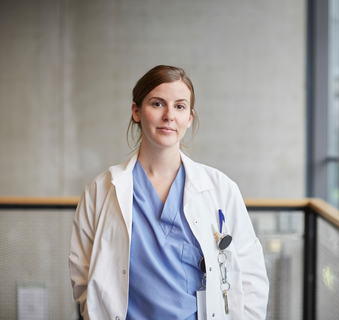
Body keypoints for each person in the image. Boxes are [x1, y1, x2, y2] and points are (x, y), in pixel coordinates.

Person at [68, 65, 269, 320]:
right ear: (136, 111)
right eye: (157, 104)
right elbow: (82, 272)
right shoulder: (100, 191)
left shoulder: (221, 188)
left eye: (180, 106)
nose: (169, 116)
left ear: (190, 118)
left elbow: (250, 273)